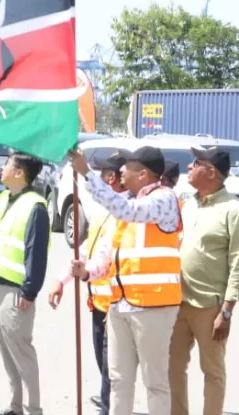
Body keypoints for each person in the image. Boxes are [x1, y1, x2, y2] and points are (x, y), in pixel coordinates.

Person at [68, 146, 182, 415]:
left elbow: (128, 211)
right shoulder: (127, 204)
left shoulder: (163, 199)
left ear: (143, 174)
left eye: (126, 166)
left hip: (153, 306)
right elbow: (106, 255)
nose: (120, 170)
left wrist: (86, 174)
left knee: (155, 382)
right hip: (120, 305)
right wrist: (86, 271)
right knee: (118, 380)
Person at [0, 136, 50, 415]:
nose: (2, 168)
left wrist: (30, 290)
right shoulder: (4, 198)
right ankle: (15, 407)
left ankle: (33, 409)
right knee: (7, 350)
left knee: (22, 353)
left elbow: (36, 252)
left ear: (19, 172)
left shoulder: (35, 206)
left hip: (16, 292)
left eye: (7, 164)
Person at [48, 152, 127, 415]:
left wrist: (84, 274)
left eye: (102, 174)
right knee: (104, 366)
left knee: (111, 369)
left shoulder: (125, 213)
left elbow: (104, 260)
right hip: (98, 304)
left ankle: (108, 410)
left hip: (115, 306)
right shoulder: (104, 212)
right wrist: (61, 280)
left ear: (111, 178)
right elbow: (85, 251)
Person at [169, 146, 239, 415]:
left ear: (211, 172)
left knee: (212, 371)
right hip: (178, 302)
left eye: (196, 163)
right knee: (173, 367)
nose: (189, 167)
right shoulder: (189, 204)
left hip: (211, 307)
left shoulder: (232, 209)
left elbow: (237, 261)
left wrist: (227, 311)